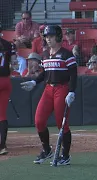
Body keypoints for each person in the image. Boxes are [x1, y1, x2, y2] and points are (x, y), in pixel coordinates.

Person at [20, 25, 77, 166]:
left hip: (62, 88)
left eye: (51, 36)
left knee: (61, 124)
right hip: (48, 89)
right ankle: (47, 150)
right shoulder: (45, 54)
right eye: (46, 37)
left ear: (58, 36)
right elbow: (45, 73)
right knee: (39, 121)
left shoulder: (67, 54)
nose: (48, 39)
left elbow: (73, 75)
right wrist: (34, 82)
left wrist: (72, 91)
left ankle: (65, 155)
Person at [0, 27, 16, 155]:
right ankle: (2, 146)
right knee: (2, 115)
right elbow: (12, 64)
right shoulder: (7, 44)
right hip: (5, 80)